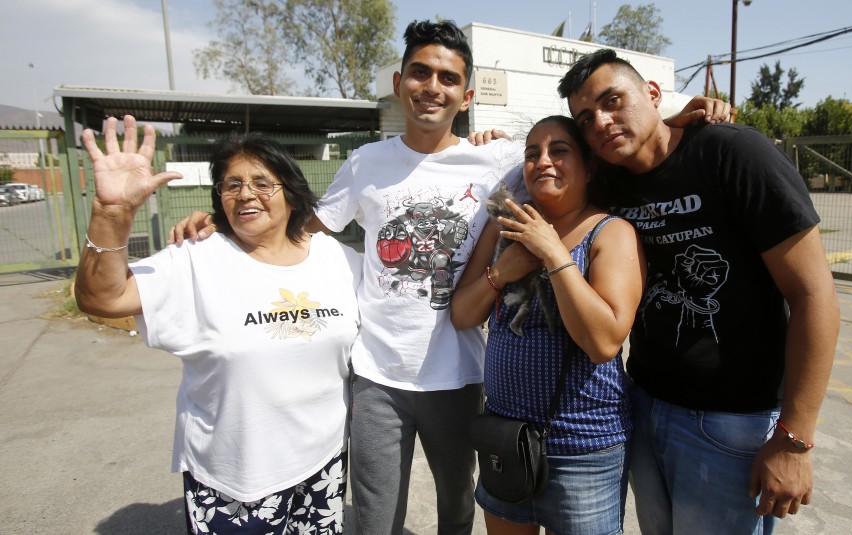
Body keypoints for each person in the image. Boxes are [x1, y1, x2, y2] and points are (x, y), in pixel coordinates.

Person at [169, 20, 734, 534]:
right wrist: (221, 223)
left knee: (457, 510)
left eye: (448, 78)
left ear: (467, 97)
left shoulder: (502, 161)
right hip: (376, 373)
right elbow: (298, 228)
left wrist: (673, 120)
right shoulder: (366, 162)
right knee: (375, 515)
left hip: (460, 376)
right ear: (400, 84)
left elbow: (587, 153)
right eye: (420, 73)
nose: (432, 87)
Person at [557, 49, 840, 534]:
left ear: (652, 92)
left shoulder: (733, 153)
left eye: (612, 101)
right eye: (586, 118)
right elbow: (547, 169)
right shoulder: (611, 179)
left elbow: (814, 295)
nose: (600, 122)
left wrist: (794, 440)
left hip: (733, 423)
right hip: (643, 405)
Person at [74, 116, 362, 534]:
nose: (246, 194)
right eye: (232, 185)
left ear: (292, 194)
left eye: (262, 183)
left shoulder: (337, 259)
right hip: (235, 479)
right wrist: (112, 213)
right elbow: (102, 298)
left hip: (324, 465)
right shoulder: (196, 259)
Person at [451, 115, 644, 534]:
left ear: (589, 166)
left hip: (582, 446)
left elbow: (603, 343)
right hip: (505, 438)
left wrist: (553, 252)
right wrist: (501, 272)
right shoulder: (506, 226)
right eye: (532, 153)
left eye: (559, 151)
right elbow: (462, 314)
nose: (543, 161)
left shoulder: (610, 232)